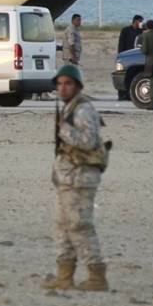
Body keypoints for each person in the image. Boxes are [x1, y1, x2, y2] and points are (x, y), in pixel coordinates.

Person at [42, 63, 109, 292]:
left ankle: (97, 276)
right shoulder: (70, 108)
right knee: (62, 227)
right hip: (68, 178)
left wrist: (63, 127)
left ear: (78, 86)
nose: (62, 88)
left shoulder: (83, 110)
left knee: (80, 226)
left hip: (81, 178)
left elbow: (87, 141)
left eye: (68, 84)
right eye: (59, 84)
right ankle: (64, 275)